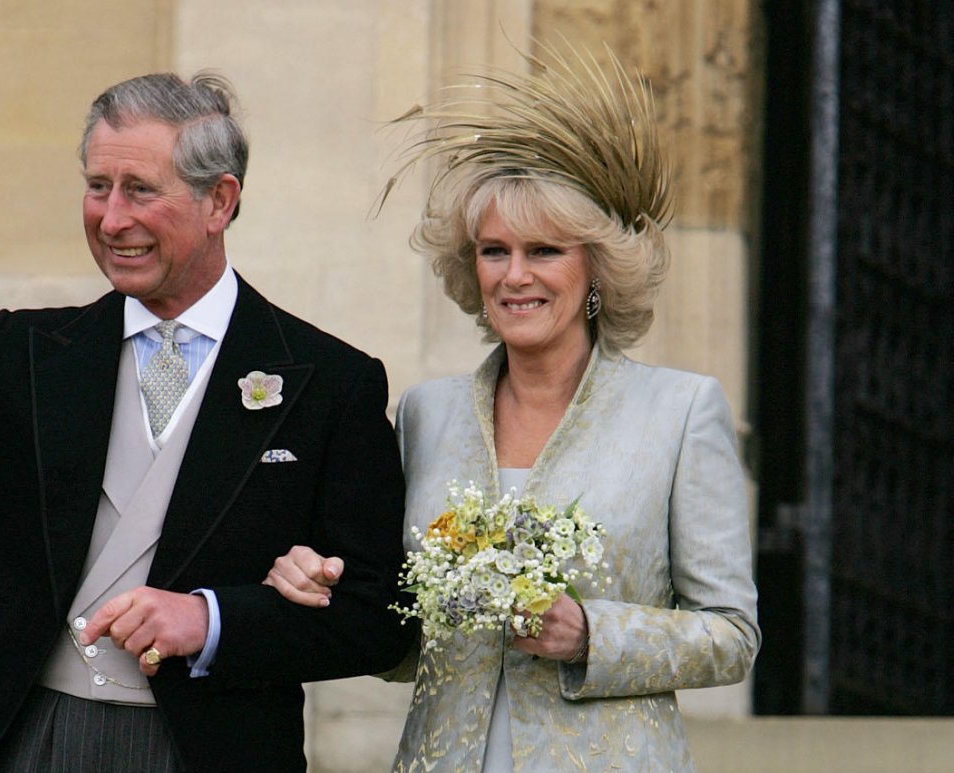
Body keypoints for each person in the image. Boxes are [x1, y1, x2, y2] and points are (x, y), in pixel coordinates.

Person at [0, 72, 411, 772]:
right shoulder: (29, 353)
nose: (111, 219)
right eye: (97, 187)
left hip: (207, 748)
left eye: (140, 189)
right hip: (20, 737)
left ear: (219, 201)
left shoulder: (330, 382)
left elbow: (377, 617)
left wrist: (212, 619)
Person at [263, 44, 761, 771]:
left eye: (544, 250)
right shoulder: (426, 416)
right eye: (494, 251)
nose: (515, 275)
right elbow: (401, 642)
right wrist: (328, 591)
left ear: (595, 267)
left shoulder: (680, 411)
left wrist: (589, 631)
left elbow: (730, 634)